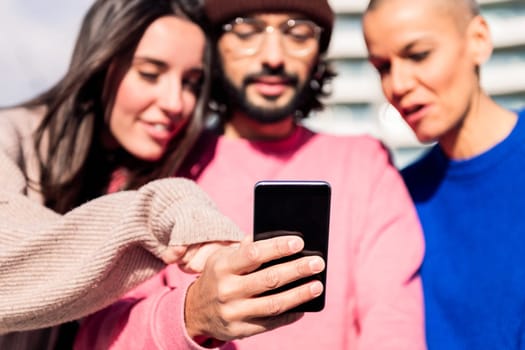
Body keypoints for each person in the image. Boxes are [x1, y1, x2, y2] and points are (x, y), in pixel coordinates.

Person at [74, 0, 427, 349]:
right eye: (246, 29)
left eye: (298, 32)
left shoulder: (365, 164)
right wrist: (192, 315)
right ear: (213, 46)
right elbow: (97, 336)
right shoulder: (155, 167)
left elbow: (393, 323)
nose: (273, 56)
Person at [0, 0, 248, 348]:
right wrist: (163, 211)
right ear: (100, 64)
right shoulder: (8, 137)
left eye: (192, 83)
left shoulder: (126, 164)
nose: (176, 102)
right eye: (150, 73)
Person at [362, 0, 525, 348]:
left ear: (478, 40)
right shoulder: (396, 198)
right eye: (382, 68)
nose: (398, 84)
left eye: (418, 54)